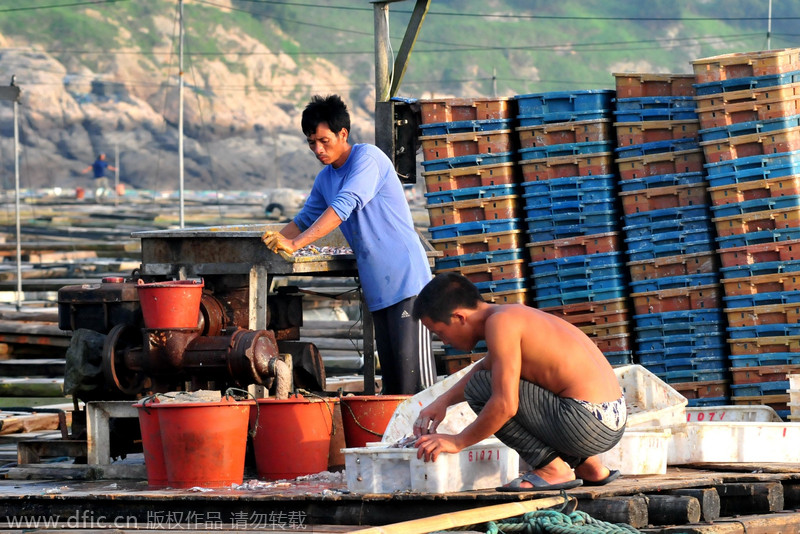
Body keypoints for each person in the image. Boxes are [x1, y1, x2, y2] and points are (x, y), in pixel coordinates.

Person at [262, 94, 436, 394]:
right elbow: (305, 218)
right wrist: (279, 238)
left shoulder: (367, 159)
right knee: (394, 386)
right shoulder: (325, 178)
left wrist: (297, 244)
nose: (318, 149)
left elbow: (345, 205)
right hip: (378, 289)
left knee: (415, 386)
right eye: (311, 142)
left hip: (407, 282)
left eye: (324, 141)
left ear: (343, 134)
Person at [411, 273, 626, 492]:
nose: (445, 342)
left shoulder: (500, 323)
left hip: (586, 424)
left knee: (482, 389)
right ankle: (590, 467)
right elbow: (485, 366)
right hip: (612, 421)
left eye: (440, 333)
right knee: (496, 377)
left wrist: (458, 441)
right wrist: (443, 401)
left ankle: (553, 470)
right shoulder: (511, 314)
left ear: (459, 317)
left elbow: (505, 405)